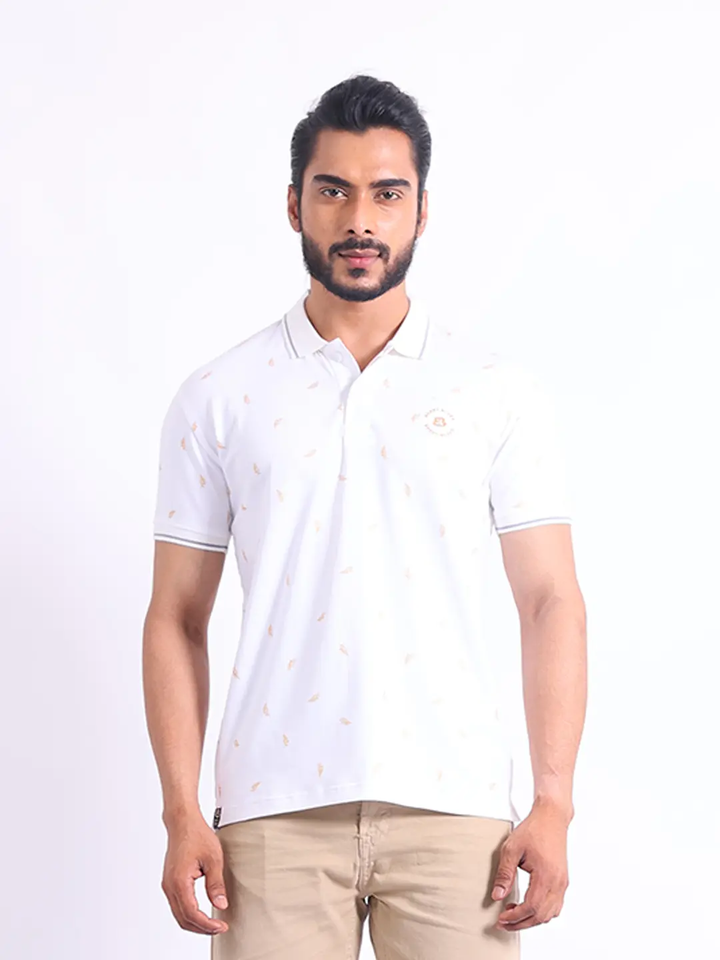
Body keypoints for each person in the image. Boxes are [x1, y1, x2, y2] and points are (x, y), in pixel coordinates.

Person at [143, 73, 587, 959]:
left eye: (387, 193)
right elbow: (176, 617)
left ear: (422, 211)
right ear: (294, 206)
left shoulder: (494, 391)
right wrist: (181, 810)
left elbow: (550, 602)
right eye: (333, 191)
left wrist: (554, 803)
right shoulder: (219, 395)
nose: (360, 220)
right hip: (271, 815)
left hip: (457, 813)